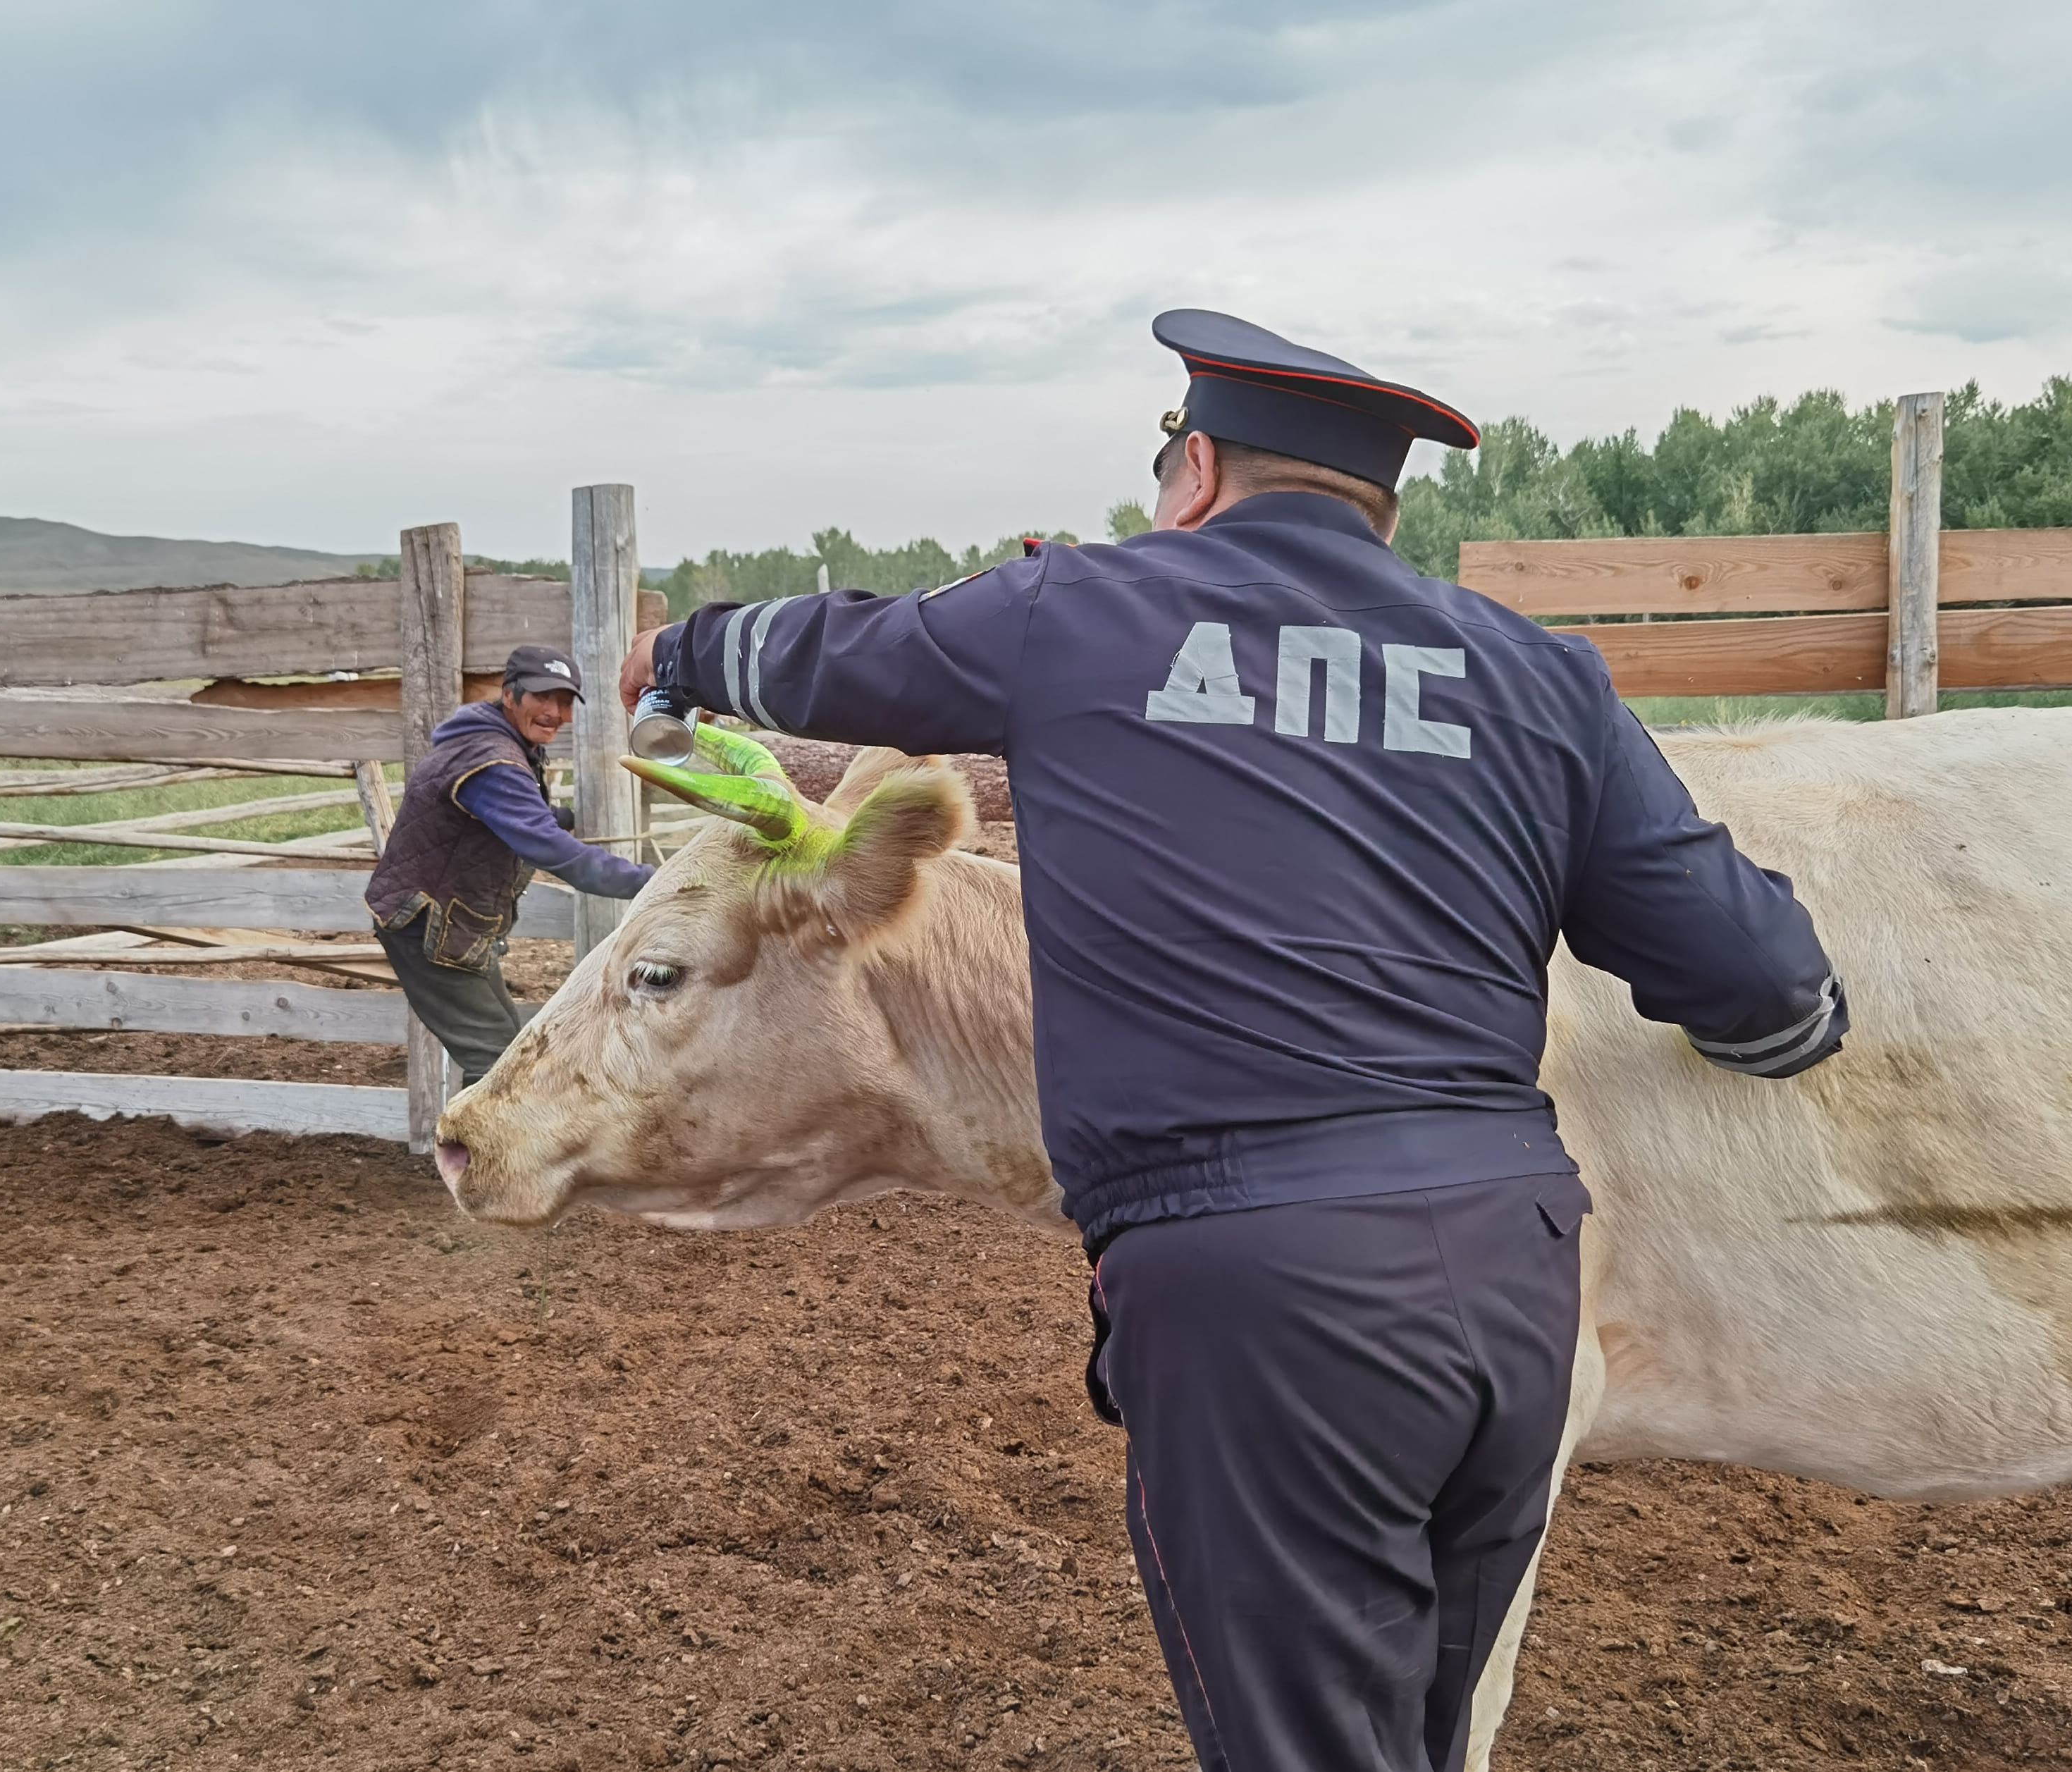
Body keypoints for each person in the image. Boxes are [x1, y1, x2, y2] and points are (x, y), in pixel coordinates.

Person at [619, 310, 1847, 1772]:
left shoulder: (1078, 611)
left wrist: (678, 648)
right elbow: (1758, 975)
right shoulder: (1539, 677)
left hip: (1258, 1284)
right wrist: (1784, 1037)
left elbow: (828, 651)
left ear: (1192, 470)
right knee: (1423, 1733)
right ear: (1378, 506)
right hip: (1514, 1267)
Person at [366, 643, 653, 1086]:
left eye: (564, 701)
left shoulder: (492, 742)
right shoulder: (493, 761)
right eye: (543, 697)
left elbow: (502, 819)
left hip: (450, 927)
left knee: (509, 1053)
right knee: (497, 1063)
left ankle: (480, 1153)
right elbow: (557, 854)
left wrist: (556, 819)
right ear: (510, 695)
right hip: (432, 930)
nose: (555, 712)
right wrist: (655, 882)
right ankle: (476, 1157)